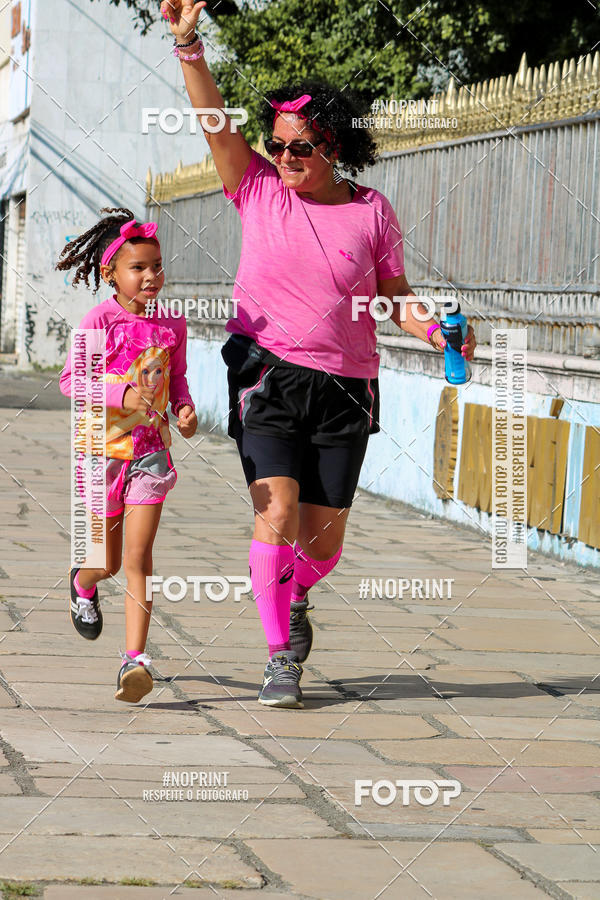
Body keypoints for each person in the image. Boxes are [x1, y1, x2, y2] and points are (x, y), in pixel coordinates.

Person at [162, 0, 476, 708]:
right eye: (278, 144)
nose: (286, 157)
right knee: (274, 513)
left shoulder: (372, 213)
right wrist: (189, 48)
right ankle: (280, 657)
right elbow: (216, 123)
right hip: (266, 373)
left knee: (322, 544)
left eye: (300, 146)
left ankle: (296, 591)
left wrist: (437, 332)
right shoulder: (258, 191)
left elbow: (394, 295)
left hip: (346, 386)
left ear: (333, 145)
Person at [57, 207, 198, 703]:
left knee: (139, 557)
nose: (151, 276)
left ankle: (134, 661)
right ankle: (83, 580)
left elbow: (176, 379)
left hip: (150, 455)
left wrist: (183, 408)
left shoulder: (172, 325)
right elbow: (72, 381)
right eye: (138, 268)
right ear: (110, 273)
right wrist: (121, 395)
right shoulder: (99, 320)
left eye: (157, 265)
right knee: (108, 561)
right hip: (101, 454)